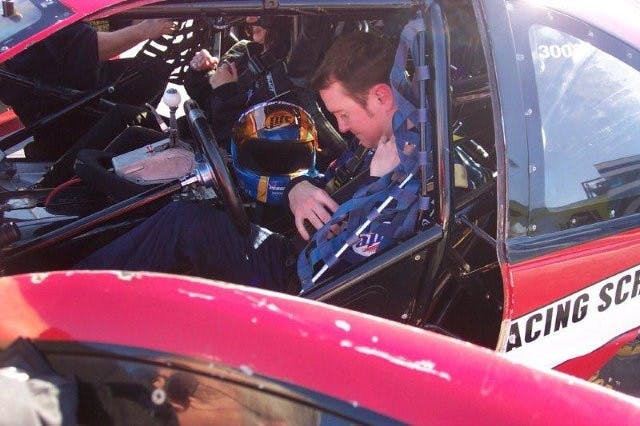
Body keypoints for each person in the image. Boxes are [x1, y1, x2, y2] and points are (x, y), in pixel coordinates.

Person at [77, 31, 415, 294]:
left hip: (297, 281)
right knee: (189, 211)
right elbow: (329, 186)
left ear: (381, 97)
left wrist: (371, 184)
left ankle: (72, 293)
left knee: (184, 223)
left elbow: (344, 268)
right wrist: (297, 188)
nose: (341, 127)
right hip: (293, 249)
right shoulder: (375, 146)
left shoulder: (407, 172)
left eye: (344, 114)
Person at [0, 19, 175, 161]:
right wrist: (143, 30)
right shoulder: (46, 19)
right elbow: (88, 46)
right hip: (58, 105)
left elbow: (102, 22)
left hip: (66, 86)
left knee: (151, 71)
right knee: (148, 77)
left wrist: (136, 19)